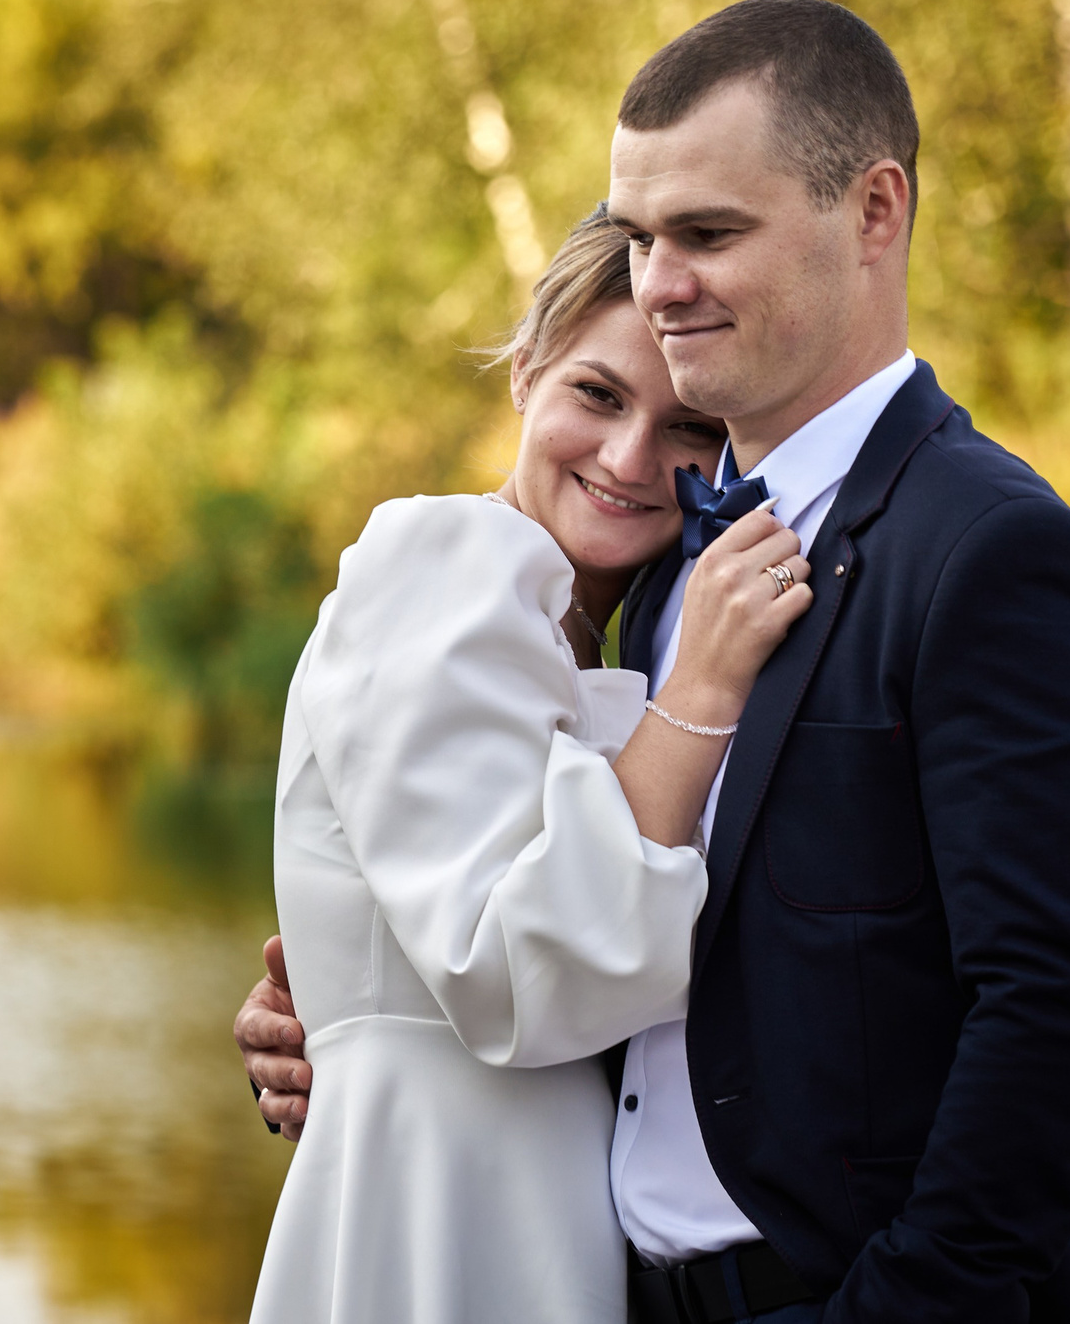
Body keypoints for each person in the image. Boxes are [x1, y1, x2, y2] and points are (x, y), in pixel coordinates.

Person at [240, 0, 1070, 1324]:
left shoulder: (990, 553)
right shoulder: (660, 584)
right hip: (603, 1285)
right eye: (644, 236)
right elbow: (560, 921)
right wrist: (341, 1008)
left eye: (709, 234)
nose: (664, 282)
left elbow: (1055, 1014)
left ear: (875, 212)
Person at [251, 207, 817, 1322]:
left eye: (686, 428)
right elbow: (508, 969)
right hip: (442, 1216)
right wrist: (703, 689)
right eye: (596, 396)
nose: (628, 459)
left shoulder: (598, 630)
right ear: (523, 373)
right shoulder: (446, 561)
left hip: (557, 1216)